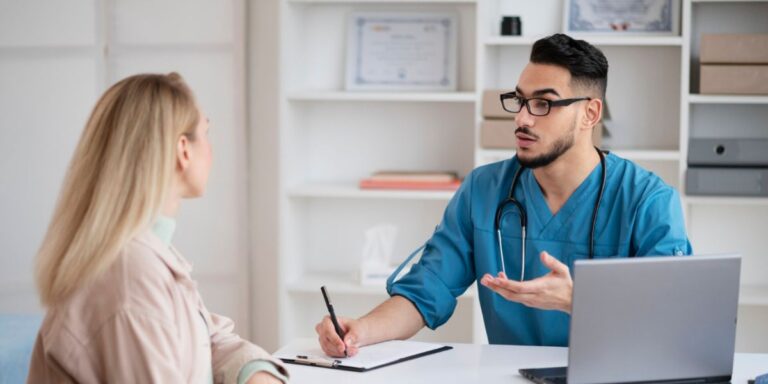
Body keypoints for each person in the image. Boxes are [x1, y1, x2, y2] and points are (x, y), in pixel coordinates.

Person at [316, 33, 692, 356]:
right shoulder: (484, 190)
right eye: (519, 100)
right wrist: (360, 331)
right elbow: (425, 292)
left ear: (590, 114)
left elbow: (675, 323)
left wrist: (579, 302)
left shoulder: (648, 201)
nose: (522, 118)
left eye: (543, 103)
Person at [28, 73, 288, 384]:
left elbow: (205, 336)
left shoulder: (141, 251)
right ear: (184, 149)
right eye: (206, 131)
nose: (211, 147)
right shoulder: (128, 277)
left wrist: (254, 372)